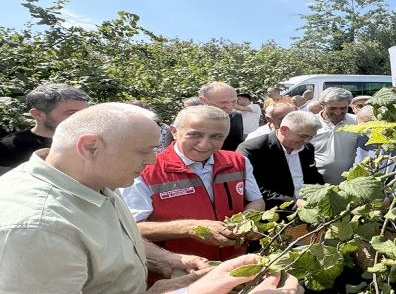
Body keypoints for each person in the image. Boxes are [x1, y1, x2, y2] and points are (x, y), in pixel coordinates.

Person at [0, 102, 300, 294]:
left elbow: (119, 238)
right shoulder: (37, 227)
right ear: (90, 147)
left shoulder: (96, 184)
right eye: (143, 152)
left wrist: (170, 262)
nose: (150, 162)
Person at [122, 106, 265, 284]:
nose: (204, 144)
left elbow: (256, 200)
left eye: (216, 136)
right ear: (174, 132)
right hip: (175, 277)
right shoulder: (145, 169)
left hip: (233, 271)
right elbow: (130, 228)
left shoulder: (238, 162)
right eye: (194, 135)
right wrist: (190, 228)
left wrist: (246, 219)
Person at [237, 111, 324, 210]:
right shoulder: (254, 149)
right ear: (284, 130)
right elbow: (253, 189)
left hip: (305, 212)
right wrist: (295, 204)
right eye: (303, 136)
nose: (307, 141)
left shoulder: (307, 149)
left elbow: (312, 177)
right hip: (271, 215)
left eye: (311, 136)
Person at [0, 83, 89, 168]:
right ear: (38, 114)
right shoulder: (9, 148)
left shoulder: (92, 141)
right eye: (71, 113)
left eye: (85, 112)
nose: (81, 117)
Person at [310, 87, 359, 185]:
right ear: (321, 105)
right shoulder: (310, 123)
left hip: (351, 184)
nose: (338, 112)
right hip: (316, 184)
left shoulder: (357, 122)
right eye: (332, 108)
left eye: (343, 108)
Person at [198, 82, 244, 150]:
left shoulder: (235, 118)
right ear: (203, 100)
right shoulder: (189, 120)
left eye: (234, 102)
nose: (230, 107)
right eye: (223, 102)